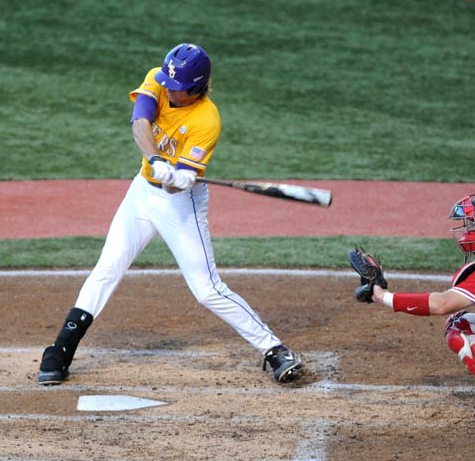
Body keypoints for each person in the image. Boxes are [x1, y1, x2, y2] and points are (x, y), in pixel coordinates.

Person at [37, 43, 302, 386]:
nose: (168, 89)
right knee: (107, 268)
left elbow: (177, 188)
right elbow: (140, 123)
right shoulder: (158, 81)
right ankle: (60, 351)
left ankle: (275, 349)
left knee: (207, 289)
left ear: (195, 88)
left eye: (176, 88)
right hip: (140, 195)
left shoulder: (207, 120)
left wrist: (179, 178)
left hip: (181, 205)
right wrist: (157, 161)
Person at [368, 192, 475, 426]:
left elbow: (442, 304)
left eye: (474, 224)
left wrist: (382, 296)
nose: (467, 232)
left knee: (460, 322)